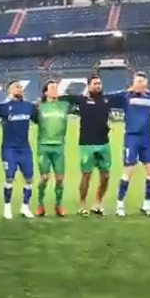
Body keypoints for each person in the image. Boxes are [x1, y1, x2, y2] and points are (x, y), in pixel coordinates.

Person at [59, 74, 114, 216]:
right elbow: (63, 97)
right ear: (89, 86)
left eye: (99, 83)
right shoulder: (81, 100)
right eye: (95, 83)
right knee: (86, 175)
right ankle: (82, 204)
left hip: (104, 143)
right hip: (86, 144)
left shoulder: (106, 100)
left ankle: (98, 203)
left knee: (106, 176)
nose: (98, 86)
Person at [113, 72, 150, 217]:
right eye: (138, 81)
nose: (141, 84)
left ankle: (147, 205)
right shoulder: (125, 96)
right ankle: (120, 204)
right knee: (128, 171)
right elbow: (108, 97)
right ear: (133, 82)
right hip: (132, 138)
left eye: (143, 82)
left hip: (146, 139)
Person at [0, 81, 36, 219]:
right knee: (9, 177)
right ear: (9, 91)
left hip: (25, 148)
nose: (19, 88)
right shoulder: (3, 108)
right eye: (16, 86)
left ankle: (25, 206)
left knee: (29, 178)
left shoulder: (29, 107)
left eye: (20, 87)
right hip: (9, 148)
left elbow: (38, 119)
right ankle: (7, 207)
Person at [35, 80, 70, 217]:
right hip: (44, 146)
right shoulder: (39, 107)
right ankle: (40, 204)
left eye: (56, 87)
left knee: (60, 178)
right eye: (52, 88)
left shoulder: (64, 105)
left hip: (59, 146)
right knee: (44, 178)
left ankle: (58, 205)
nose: (55, 90)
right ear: (46, 92)